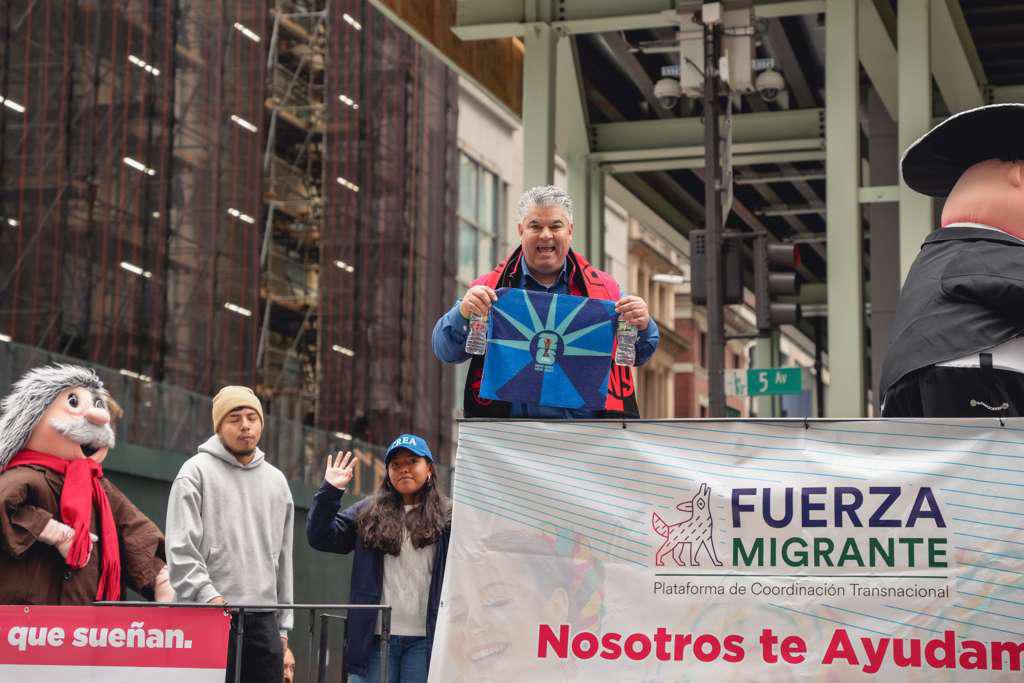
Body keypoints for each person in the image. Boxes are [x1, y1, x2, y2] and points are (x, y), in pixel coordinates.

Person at [432, 185, 659, 418]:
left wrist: (643, 323)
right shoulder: (489, 288)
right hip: (508, 435)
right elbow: (445, 350)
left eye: (555, 226)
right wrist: (463, 312)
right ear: (521, 230)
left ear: (570, 231)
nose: (546, 235)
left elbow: (640, 353)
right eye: (535, 226)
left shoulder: (605, 290)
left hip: (586, 436)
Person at [880, 104, 1024, 416]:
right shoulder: (978, 249)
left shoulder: (937, 256)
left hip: (919, 382)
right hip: (978, 372)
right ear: (1019, 177)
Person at [0, 364, 173, 604]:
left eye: (98, 404)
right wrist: (51, 530)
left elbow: (134, 531)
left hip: (86, 619)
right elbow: (4, 505)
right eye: (73, 402)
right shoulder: (25, 476)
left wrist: (161, 579)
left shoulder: (101, 489)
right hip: (26, 619)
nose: (100, 417)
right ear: (33, 418)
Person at [165, 386, 294, 683]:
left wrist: (283, 625)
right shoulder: (194, 472)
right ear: (219, 426)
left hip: (263, 620)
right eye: (235, 418)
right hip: (205, 614)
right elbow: (181, 548)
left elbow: (284, 558)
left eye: (252, 417)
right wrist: (208, 595)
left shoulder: (277, 482)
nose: (245, 425)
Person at [306, 434, 451, 683]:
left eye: (412, 461)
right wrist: (330, 491)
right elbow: (320, 536)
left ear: (429, 469)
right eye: (396, 464)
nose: (404, 469)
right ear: (388, 473)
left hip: (428, 640)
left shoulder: (448, 516)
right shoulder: (369, 512)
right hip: (374, 640)